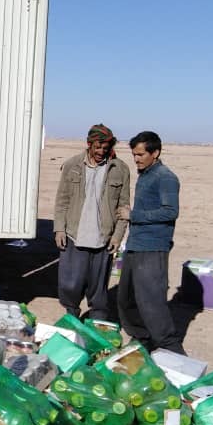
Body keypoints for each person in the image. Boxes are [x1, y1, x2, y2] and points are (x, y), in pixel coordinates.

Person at [116, 130, 185, 354]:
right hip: (136, 245)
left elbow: (170, 211)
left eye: (140, 155)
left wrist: (133, 215)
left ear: (155, 153)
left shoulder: (165, 177)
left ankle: (172, 349)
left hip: (153, 248)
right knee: (126, 298)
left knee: (151, 302)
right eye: (134, 155)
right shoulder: (146, 174)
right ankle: (143, 338)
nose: (136, 159)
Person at [53, 123, 130, 320]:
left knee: (98, 287)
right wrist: (59, 229)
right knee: (70, 283)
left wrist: (117, 236)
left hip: (103, 238)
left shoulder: (120, 169)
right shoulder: (72, 166)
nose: (101, 151)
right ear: (89, 144)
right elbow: (62, 200)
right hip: (73, 235)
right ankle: (71, 317)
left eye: (105, 148)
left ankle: (99, 322)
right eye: (97, 147)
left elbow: (123, 207)